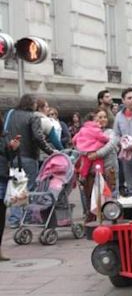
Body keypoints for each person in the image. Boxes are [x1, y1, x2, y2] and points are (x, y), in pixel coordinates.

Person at [4, 94, 57, 228]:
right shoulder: (33, 117)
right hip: (28, 156)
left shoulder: (12, 114)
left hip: (13, 155)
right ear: (32, 104)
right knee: (31, 188)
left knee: (17, 188)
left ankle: (15, 220)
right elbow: (38, 138)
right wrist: (51, 152)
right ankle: (28, 218)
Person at [0, 113, 20, 260]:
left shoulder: (4, 133)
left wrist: (13, 148)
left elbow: (8, 156)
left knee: (1, 216)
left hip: (2, 177)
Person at [87, 108, 119, 198]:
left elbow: (111, 144)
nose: (103, 119)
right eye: (100, 117)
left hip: (110, 167)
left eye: (105, 117)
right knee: (96, 196)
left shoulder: (110, 132)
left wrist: (97, 154)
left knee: (111, 193)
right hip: (95, 169)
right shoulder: (89, 132)